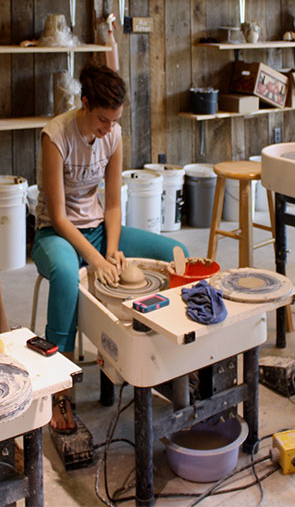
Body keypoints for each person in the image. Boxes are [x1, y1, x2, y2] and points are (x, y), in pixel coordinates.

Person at [31, 64, 183, 435]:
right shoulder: (55, 137)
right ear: (84, 104)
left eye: (114, 121)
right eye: (102, 120)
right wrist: (96, 260)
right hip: (55, 234)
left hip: (99, 230)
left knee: (176, 252)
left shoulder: (113, 135)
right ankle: (59, 387)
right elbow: (60, 216)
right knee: (68, 275)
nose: (107, 129)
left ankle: (170, 360)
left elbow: (113, 204)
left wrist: (112, 250)